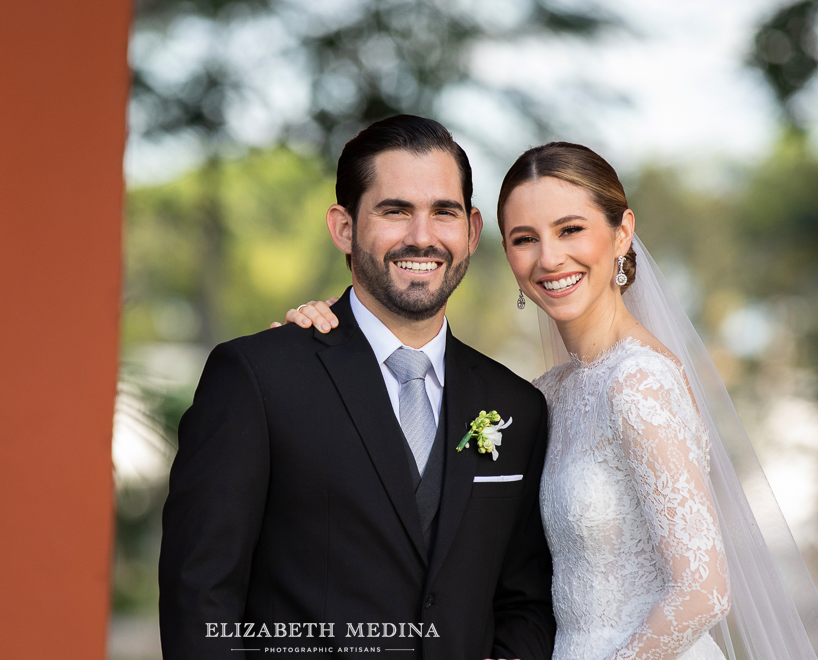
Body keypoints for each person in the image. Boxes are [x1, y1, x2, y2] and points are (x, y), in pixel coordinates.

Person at [289, 141, 818, 659]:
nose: (549, 257)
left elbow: (704, 592)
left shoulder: (639, 383)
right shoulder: (543, 396)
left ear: (622, 234)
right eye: (524, 238)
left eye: (570, 230)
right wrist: (321, 345)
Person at [158, 115, 557, 659]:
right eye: (395, 211)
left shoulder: (517, 407)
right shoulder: (257, 379)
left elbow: (527, 603)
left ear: (470, 229)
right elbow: (199, 595)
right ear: (344, 227)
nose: (423, 236)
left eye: (444, 212)